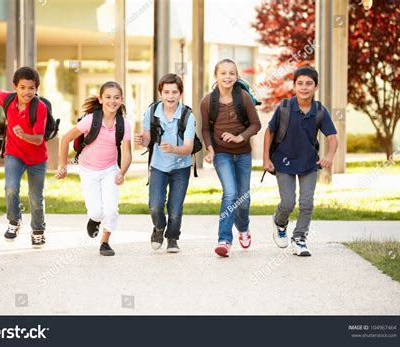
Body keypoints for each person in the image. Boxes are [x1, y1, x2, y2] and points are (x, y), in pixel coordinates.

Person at [263, 65, 338, 256]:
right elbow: (269, 132)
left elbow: (332, 138)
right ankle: (280, 223)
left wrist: (329, 156)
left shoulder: (320, 110)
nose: (304, 87)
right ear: (294, 86)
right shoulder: (285, 107)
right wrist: (266, 159)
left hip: (309, 164)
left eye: (309, 84)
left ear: (316, 87)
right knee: (288, 202)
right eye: (300, 83)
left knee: (307, 203)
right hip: (283, 162)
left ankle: (300, 239)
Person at [0, 66, 48, 248]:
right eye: (22, 87)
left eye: (31, 88)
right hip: (14, 154)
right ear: (15, 87)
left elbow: (39, 139)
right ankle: (14, 221)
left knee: (36, 198)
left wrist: (23, 135)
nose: (27, 92)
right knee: (11, 188)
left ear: (36, 89)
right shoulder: (8, 99)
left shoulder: (40, 108)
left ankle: (38, 231)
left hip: (37, 158)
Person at [56, 81, 132, 256]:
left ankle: (105, 242)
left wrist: (122, 172)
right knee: (96, 211)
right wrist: (63, 166)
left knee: (112, 209)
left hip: (110, 169)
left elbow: (127, 154)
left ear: (121, 100)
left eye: (116, 97)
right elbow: (65, 139)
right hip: (88, 170)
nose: (112, 101)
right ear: (100, 99)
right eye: (108, 97)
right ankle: (94, 219)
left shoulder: (124, 124)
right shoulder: (91, 120)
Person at [200, 58, 261, 257]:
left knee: (243, 199)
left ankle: (243, 228)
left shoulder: (243, 97)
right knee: (230, 193)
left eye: (231, 73)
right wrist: (210, 149)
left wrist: (239, 137)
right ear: (216, 76)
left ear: (236, 76)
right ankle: (224, 240)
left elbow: (255, 125)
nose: (227, 76)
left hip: (243, 153)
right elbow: (205, 128)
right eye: (223, 73)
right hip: (222, 153)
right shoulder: (208, 101)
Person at [134, 73, 195, 253]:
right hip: (158, 166)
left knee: (175, 209)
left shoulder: (187, 116)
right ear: (160, 93)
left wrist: (173, 149)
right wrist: (142, 140)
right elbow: (147, 139)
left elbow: (188, 148)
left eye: (174, 92)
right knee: (155, 205)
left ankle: (173, 237)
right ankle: (159, 228)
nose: (170, 96)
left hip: (181, 168)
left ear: (180, 94)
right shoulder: (152, 112)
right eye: (166, 92)